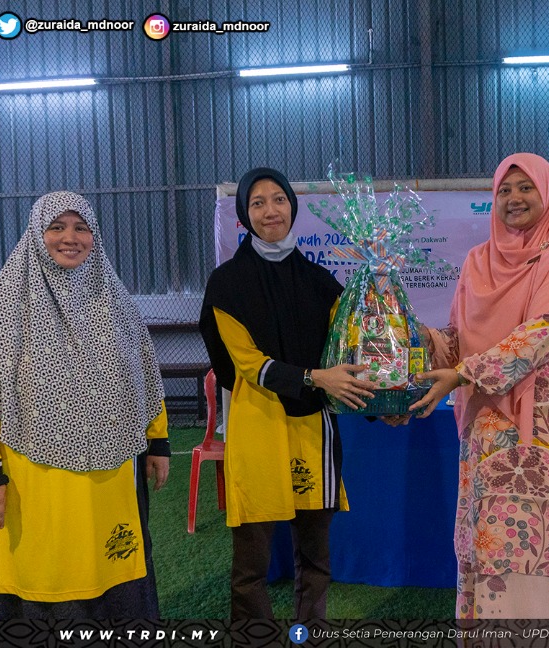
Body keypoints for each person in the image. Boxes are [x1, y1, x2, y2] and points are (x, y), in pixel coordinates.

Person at [403, 153, 549, 619]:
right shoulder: (477, 261)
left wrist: (464, 374)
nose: (514, 198)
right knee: (491, 540)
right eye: (504, 190)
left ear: (547, 193)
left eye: (525, 188)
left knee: (548, 543)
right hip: (488, 430)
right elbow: (458, 339)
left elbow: (543, 334)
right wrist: (411, 334)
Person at [0, 191, 169, 620]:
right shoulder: (0, 309)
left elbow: (143, 376)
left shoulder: (116, 303)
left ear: (94, 236)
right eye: (57, 227)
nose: (70, 238)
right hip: (33, 480)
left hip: (111, 478)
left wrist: (157, 441)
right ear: (36, 234)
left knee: (114, 564)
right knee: (44, 569)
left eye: (80, 228)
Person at [199, 167, 376, 619]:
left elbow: (350, 349)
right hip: (259, 426)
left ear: (292, 208)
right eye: (257, 203)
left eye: (278, 199)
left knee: (316, 560)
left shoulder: (321, 282)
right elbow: (248, 364)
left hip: (314, 431)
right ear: (244, 215)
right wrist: (316, 378)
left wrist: (385, 395)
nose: (270, 211)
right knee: (251, 567)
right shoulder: (227, 285)